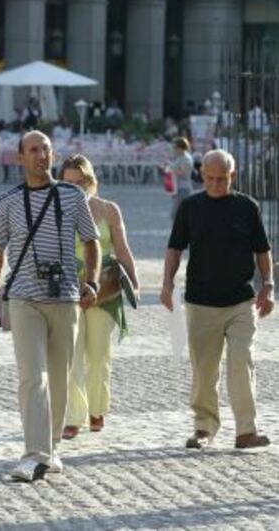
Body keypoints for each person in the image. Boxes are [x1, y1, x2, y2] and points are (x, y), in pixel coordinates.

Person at [0, 130, 101, 482]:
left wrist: (90, 281)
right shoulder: (8, 203)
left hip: (64, 298)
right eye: (33, 150)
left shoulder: (73, 196)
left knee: (60, 379)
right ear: (20, 158)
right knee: (33, 376)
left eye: (45, 150)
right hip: (24, 299)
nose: (40, 156)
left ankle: (52, 448)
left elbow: (92, 243)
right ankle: (33, 455)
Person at [160, 149, 274, 450]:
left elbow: (262, 250)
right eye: (209, 179)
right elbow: (174, 248)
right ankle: (204, 428)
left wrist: (269, 285)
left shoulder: (247, 207)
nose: (214, 184)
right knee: (204, 369)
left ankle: (246, 431)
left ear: (232, 176)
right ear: (202, 176)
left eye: (221, 179)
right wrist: (166, 283)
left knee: (241, 362)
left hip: (240, 301)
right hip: (201, 302)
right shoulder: (190, 207)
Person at [59, 154, 140, 439]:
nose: (74, 188)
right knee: (70, 356)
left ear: (90, 181)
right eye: (68, 183)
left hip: (103, 289)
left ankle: (97, 409)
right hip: (67, 291)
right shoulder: (56, 209)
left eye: (80, 182)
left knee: (98, 355)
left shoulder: (108, 209)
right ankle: (73, 416)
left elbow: (122, 247)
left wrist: (134, 279)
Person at [168, 137, 194, 221]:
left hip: (183, 188)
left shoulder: (186, 159)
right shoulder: (180, 157)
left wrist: (171, 168)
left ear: (180, 148)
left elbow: (184, 173)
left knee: (176, 213)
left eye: (175, 148)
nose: (174, 150)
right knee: (177, 213)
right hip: (178, 187)